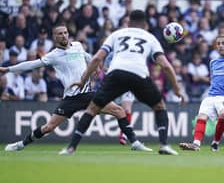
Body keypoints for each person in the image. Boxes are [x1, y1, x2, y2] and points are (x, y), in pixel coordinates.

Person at [0, 23, 150, 152]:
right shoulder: (54, 55)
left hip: (88, 94)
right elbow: (32, 64)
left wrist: (96, 66)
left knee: (119, 111)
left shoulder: (77, 45)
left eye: (65, 32)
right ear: (55, 37)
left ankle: (135, 143)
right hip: (71, 97)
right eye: (60, 34)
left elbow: (87, 56)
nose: (64, 35)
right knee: (48, 127)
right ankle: (20, 144)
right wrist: (8, 69)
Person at [63, 10, 185, 155]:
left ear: (128, 22)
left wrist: (83, 80)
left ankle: (71, 147)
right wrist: (177, 89)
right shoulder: (150, 37)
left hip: (116, 74)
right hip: (138, 74)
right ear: (145, 24)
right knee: (159, 106)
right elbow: (165, 66)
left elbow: (96, 58)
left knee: (92, 109)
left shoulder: (116, 34)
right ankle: (164, 145)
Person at [179, 34, 224, 152]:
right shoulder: (213, 62)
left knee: (223, 115)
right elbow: (213, 78)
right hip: (211, 96)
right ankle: (196, 144)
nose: (220, 46)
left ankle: (215, 142)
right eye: (218, 44)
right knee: (201, 117)